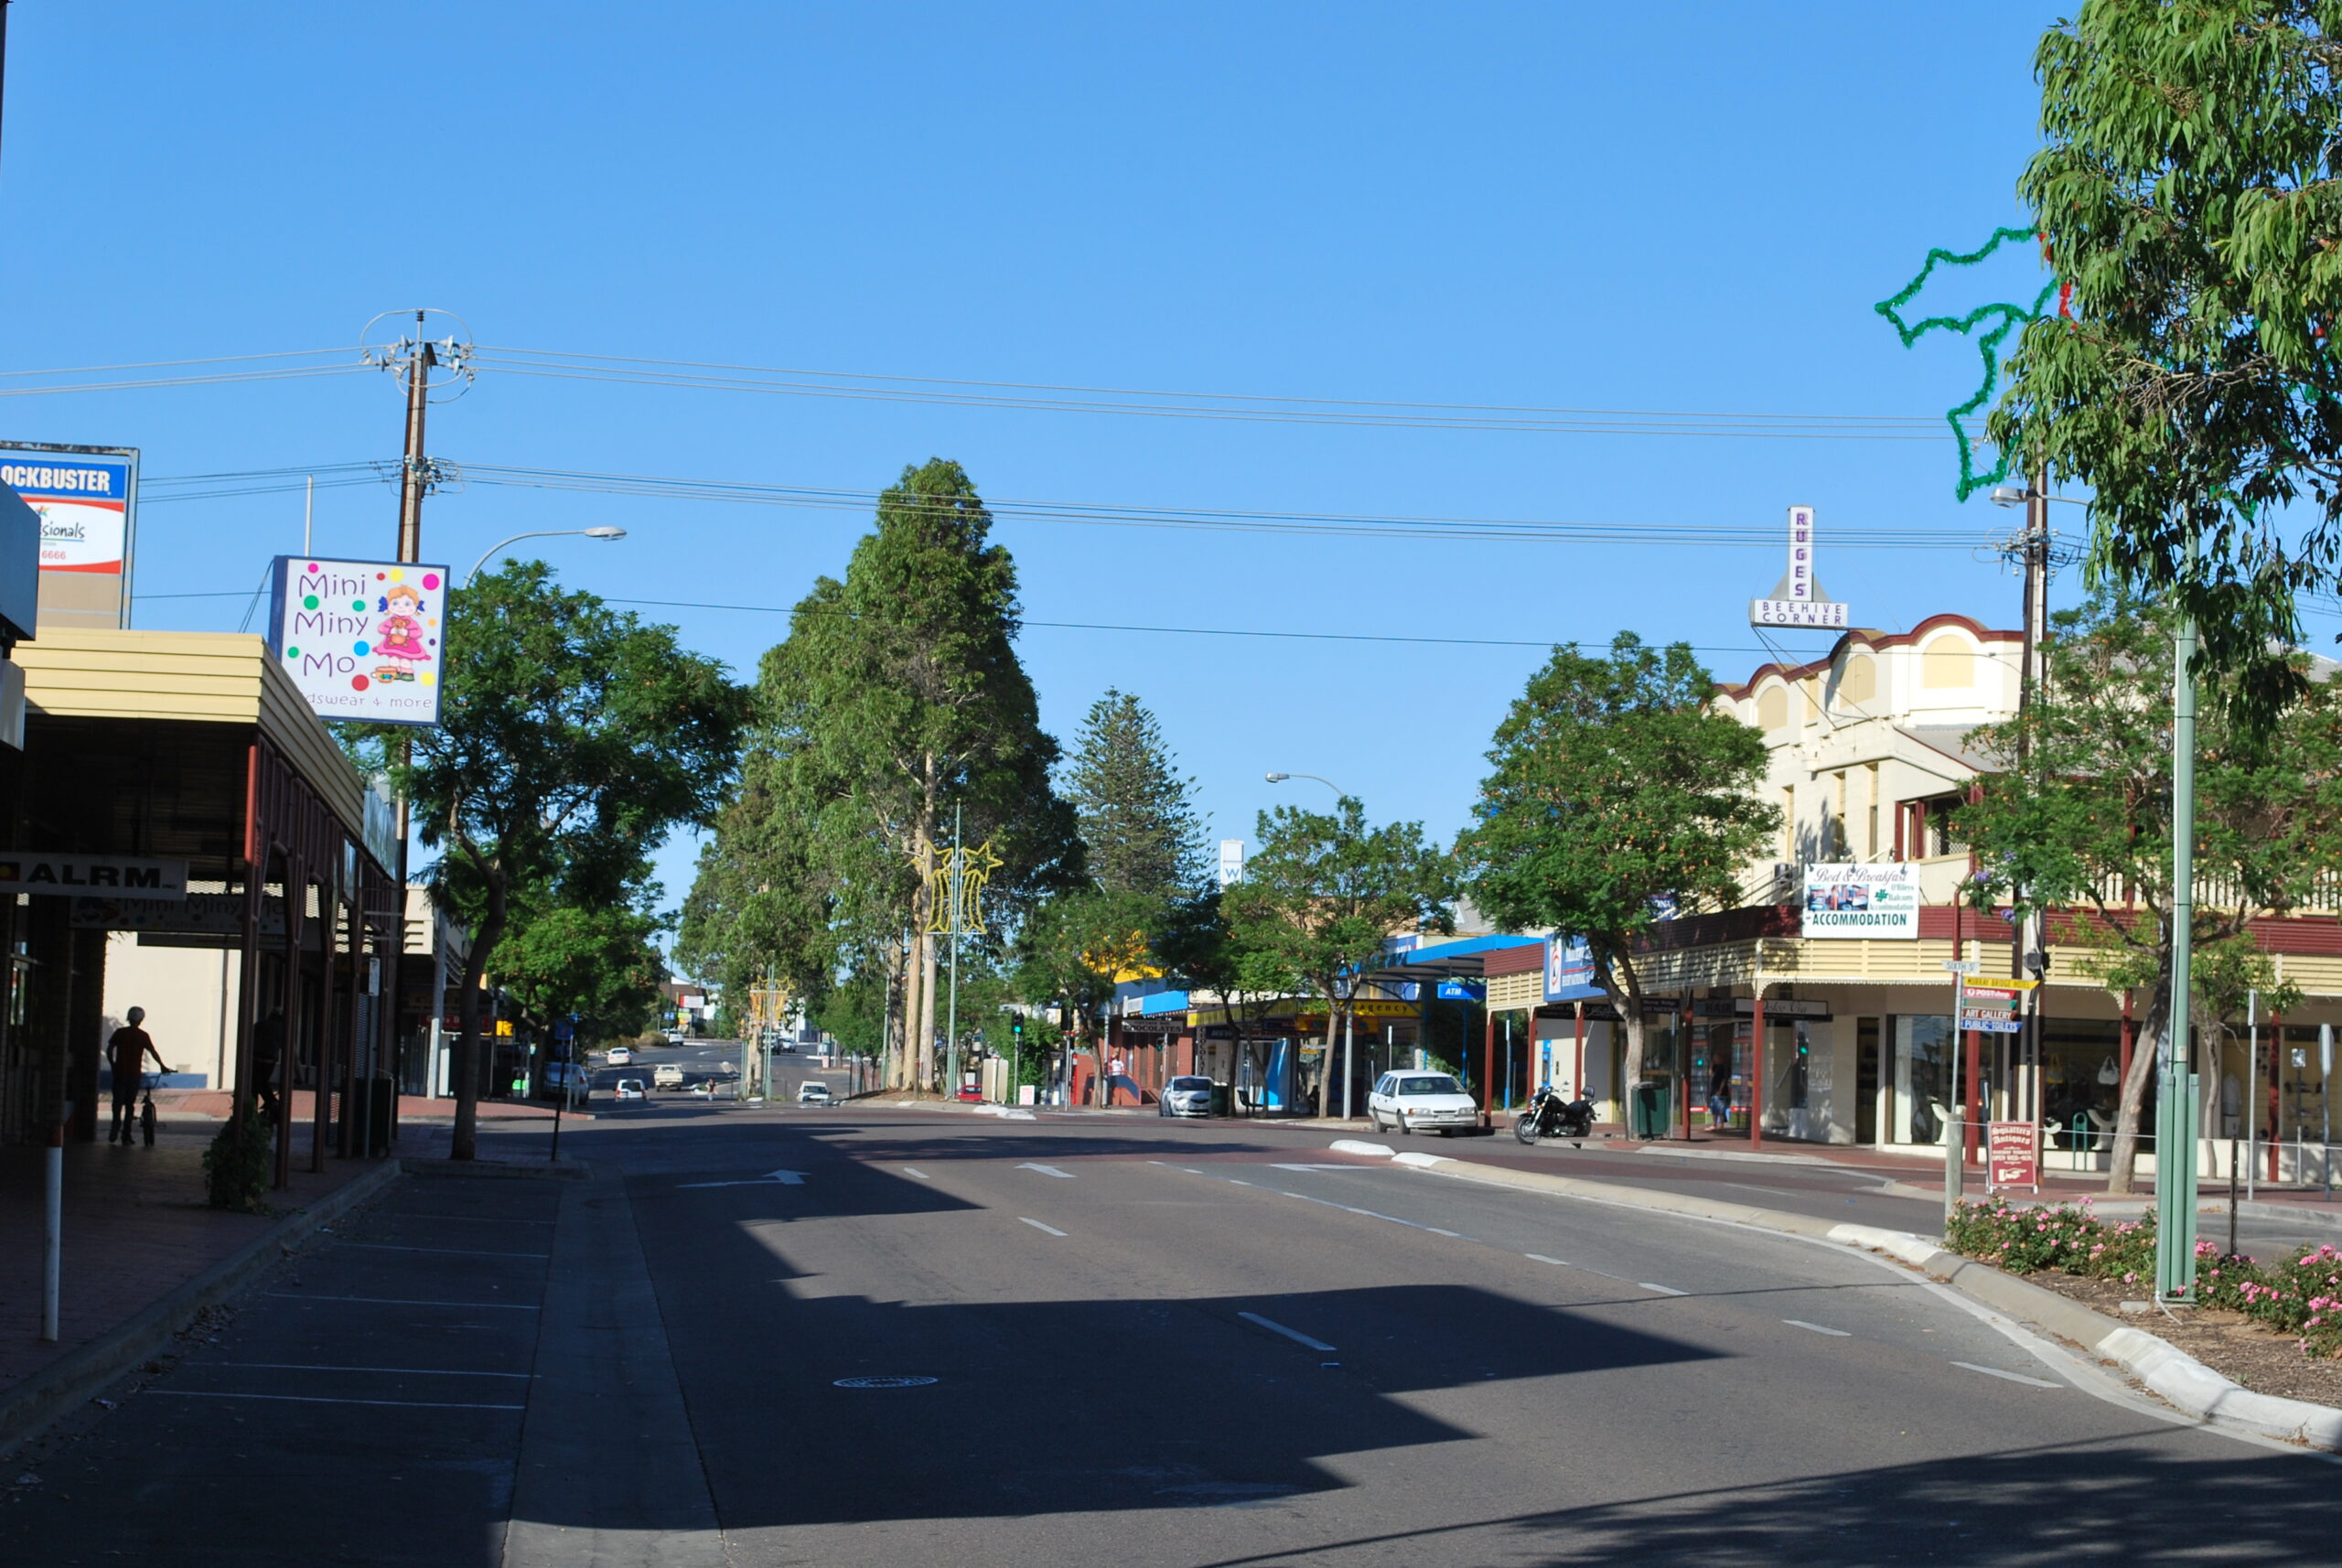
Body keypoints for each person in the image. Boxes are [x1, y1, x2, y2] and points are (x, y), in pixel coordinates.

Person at [108, 1006, 169, 1144]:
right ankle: (126, 1134)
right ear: (141, 1020)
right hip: (134, 1074)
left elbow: (109, 1049)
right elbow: (153, 1052)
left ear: (128, 1018)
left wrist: (113, 1065)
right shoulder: (143, 1036)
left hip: (119, 1074)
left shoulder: (120, 1032)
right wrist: (162, 1066)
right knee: (130, 1105)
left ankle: (115, 1124)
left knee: (117, 1103)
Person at [251, 1005, 286, 1121]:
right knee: (261, 1083)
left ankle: (254, 1111)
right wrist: (299, 1076)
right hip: (269, 1062)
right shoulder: (283, 1030)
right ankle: (272, 1104)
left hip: (255, 1059)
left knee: (254, 1085)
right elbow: (292, 1052)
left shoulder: (260, 1025)